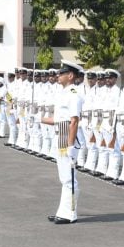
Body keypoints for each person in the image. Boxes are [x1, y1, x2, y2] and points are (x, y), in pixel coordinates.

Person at [43, 61, 84, 224]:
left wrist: (71, 145)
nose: (58, 75)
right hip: (60, 136)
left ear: (71, 75)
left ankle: (70, 213)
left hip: (67, 138)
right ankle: (63, 210)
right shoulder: (64, 93)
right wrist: (39, 118)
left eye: (62, 73)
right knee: (64, 177)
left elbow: (73, 121)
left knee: (69, 178)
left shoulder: (74, 93)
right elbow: (58, 120)